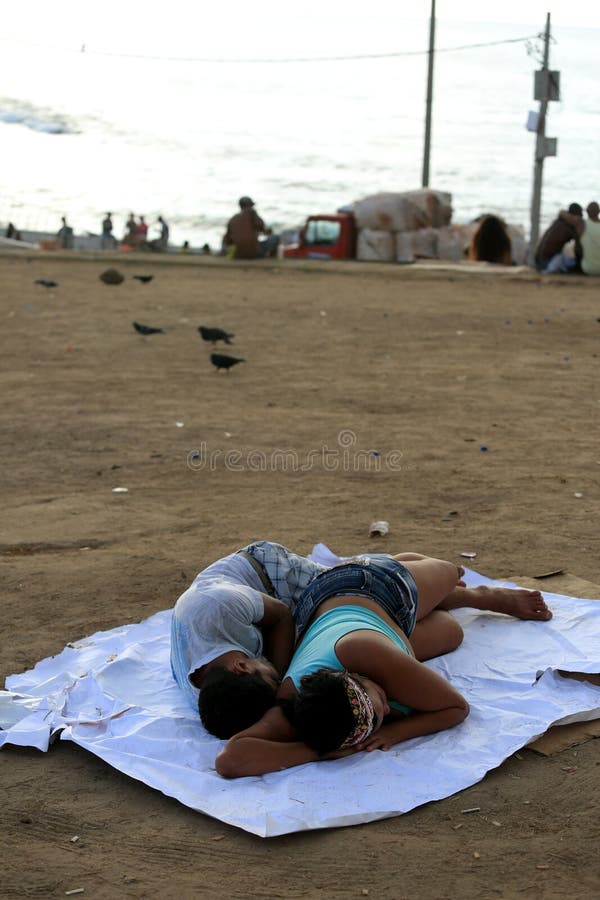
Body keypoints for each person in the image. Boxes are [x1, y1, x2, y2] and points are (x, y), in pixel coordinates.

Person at [215, 552, 552, 777]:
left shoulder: (365, 652)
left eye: (380, 706)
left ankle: (475, 595)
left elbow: (456, 707)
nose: (388, 712)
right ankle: (428, 596)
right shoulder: (300, 710)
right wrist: (317, 751)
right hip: (383, 630)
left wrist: (394, 732)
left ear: (357, 677)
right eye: (381, 718)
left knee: (450, 572)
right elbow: (231, 759)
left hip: (364, 587)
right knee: (451, 634)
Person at [170, 541, 328, 736]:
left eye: (273, 678)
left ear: (242, 667)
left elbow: (281, 615)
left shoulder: (219, 607)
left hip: (267, 570)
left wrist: (283, 678)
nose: (276, 679)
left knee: (350, 584)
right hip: (252, 610)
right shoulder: (210, 699)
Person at [535, 203, 583, 273]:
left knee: (567, 259)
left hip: (539, 262)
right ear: (574, 216)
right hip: (546, 263)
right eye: (580, 215)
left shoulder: (559, 222)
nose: (581, 218)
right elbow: (579, 247)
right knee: (569, 261)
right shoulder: (568, 228)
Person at [557, 202, 600, 276]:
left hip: (588, 269)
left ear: (587, 211)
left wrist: (563, 212)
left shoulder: (581, 224)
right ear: (599, 211)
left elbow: (562, 214)